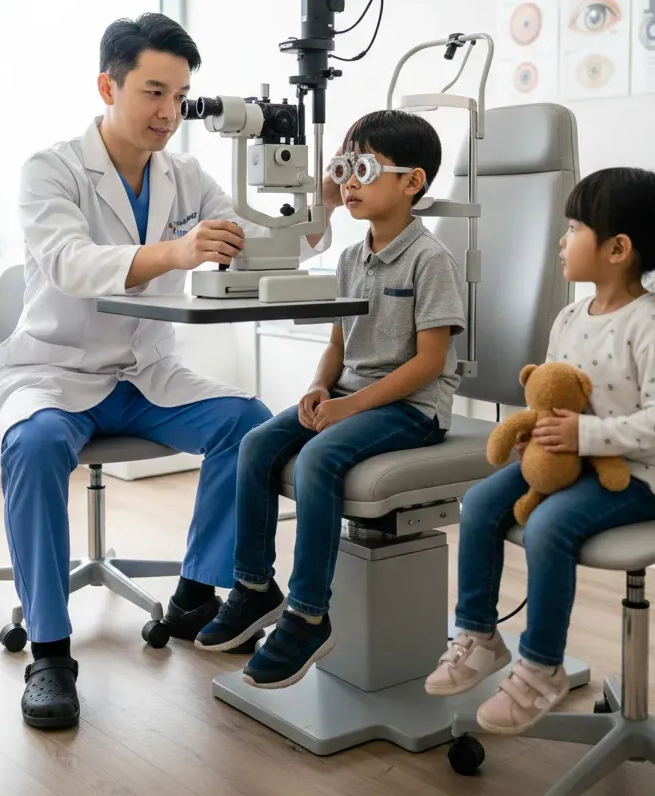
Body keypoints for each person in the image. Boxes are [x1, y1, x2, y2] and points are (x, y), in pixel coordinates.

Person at [0, 13, 340, 730]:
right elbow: (69, 262)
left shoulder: (186, 175)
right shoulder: (51, 169)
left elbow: (258, 240)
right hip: (58, 373)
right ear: (106, 85)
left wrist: (320, 205)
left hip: (145, 375)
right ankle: (51, 655)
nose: (169, 113)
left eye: (180, 96)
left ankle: (197, 594)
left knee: (246, 423)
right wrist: (177, 254)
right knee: (35, 445)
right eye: (153, 92)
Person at [195, 109, 467, 689]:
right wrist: (320, 388)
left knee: (320, 459)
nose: (348, 182)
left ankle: (307, 614)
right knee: (256, 443)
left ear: (412, 182)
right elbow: (339, 345)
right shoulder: (349, 258)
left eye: (364, 168)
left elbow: (429, 363)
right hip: (348, 394)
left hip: (411, 408)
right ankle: (251, 586)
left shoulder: (431, 260)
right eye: (344, 167)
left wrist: (349, 408)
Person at [425, 167, 655, 735]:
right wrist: (540, 433)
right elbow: (554, 394)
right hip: (573, 465)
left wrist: (584, 436)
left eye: (575, 227)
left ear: (618, 248)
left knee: (548, 528)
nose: (562, 239)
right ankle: (477, 634)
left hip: (642, 478)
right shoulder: (571, 317)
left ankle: (543, 666)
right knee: (478, 505)